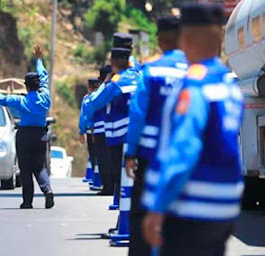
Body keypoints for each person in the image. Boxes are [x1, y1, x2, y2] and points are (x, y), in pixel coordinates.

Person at [142, 4, 244, 256]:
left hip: (188, 209)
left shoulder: (194, 87)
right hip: (222, 210)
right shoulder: (228, 86)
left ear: (185, 39)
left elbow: (183, 151)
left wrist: (157, 207)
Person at [124, 16, 188, 256]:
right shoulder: (196, 72)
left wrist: (131, 153)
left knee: (143, 215)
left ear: (160, 40)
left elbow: (138, 113)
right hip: (186, 159)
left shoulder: (151, 71)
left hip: (151, 159)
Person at [0, 45, 54, 209]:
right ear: (38, 86)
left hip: (25, 135)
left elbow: (1, 99)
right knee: (39, 166)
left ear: (26, 86)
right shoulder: (45, 98)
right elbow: (44, 76)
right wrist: (39, 60)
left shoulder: (20, 101)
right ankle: (47, 190)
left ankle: (27, 201)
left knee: (25, 168)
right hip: (40, 135)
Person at [84, 47, 143, 203]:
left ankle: (124, 219)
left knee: (120, 176)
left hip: (118, 136)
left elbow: (95, 103)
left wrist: (105, 83)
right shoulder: (141, 77)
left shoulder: (117, 82)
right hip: (138, 134)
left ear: (113, 63)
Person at [79, 76, 113, 195]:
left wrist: (81, 131)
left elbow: (84, 116)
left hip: (94, 131)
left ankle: (102, 182)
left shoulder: (89, 99)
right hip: (111, 129)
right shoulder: (110, 91)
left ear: (89, 87)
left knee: (98, 158)